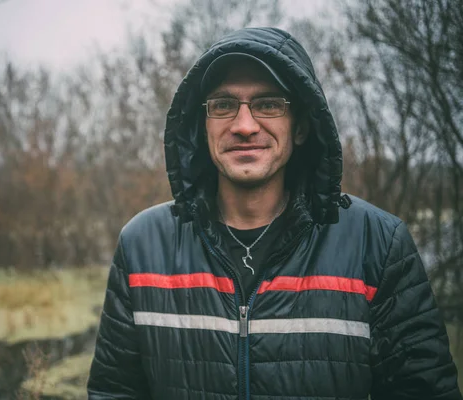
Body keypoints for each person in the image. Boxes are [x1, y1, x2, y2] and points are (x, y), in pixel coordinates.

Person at [87, 27, 462, 399]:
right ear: (202, 127)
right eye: (223, 105)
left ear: (299, 126)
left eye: (269, 104)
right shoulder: (142, 245)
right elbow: (114, 392)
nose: (244, 125)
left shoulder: (377, 244)